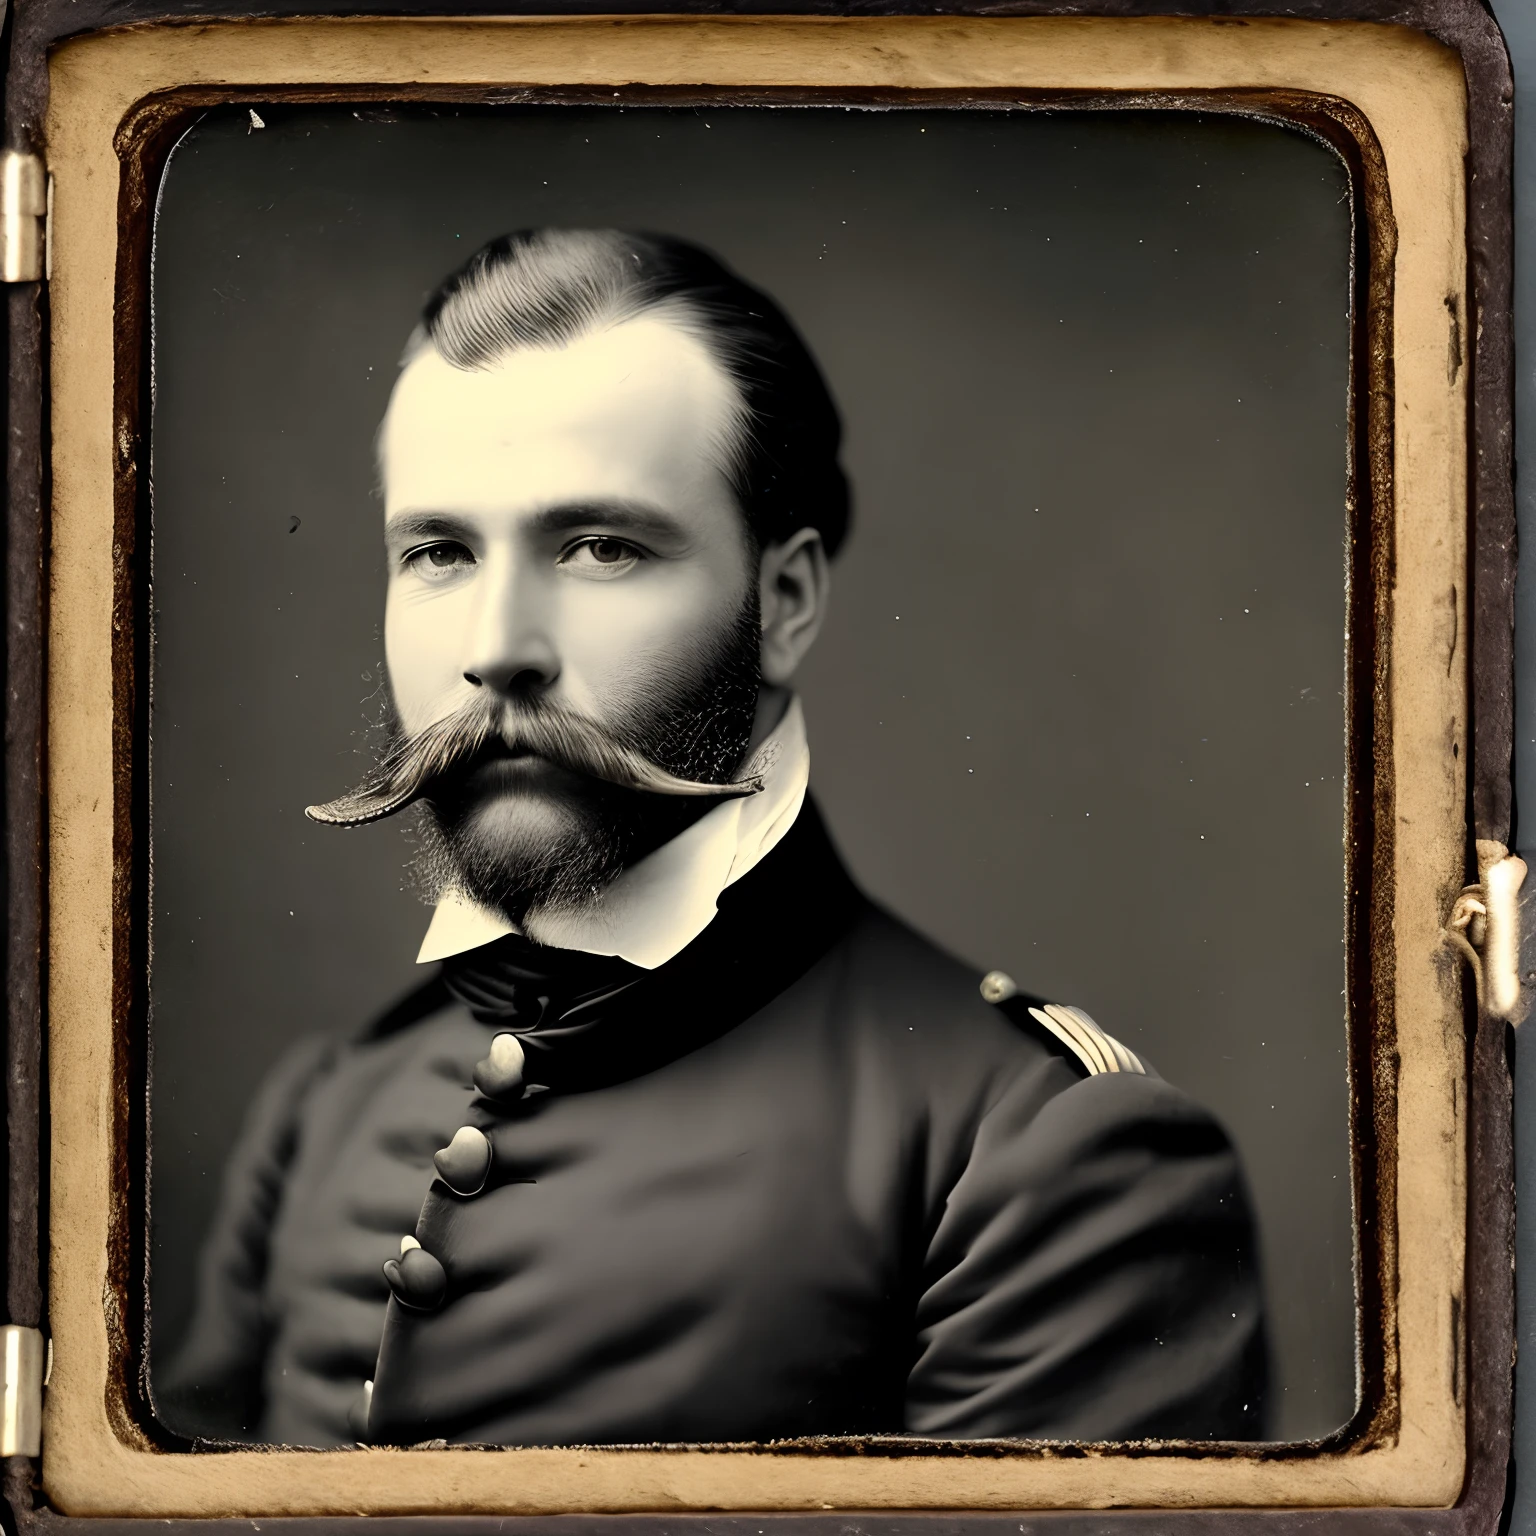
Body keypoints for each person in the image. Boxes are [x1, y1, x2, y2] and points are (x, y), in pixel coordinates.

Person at [157, 228, 1267, 1449]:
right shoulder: (327, 1106)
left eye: (601, 548)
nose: (498, 644)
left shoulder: (1034, 1155)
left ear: (782, 605)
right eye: (438, 552)